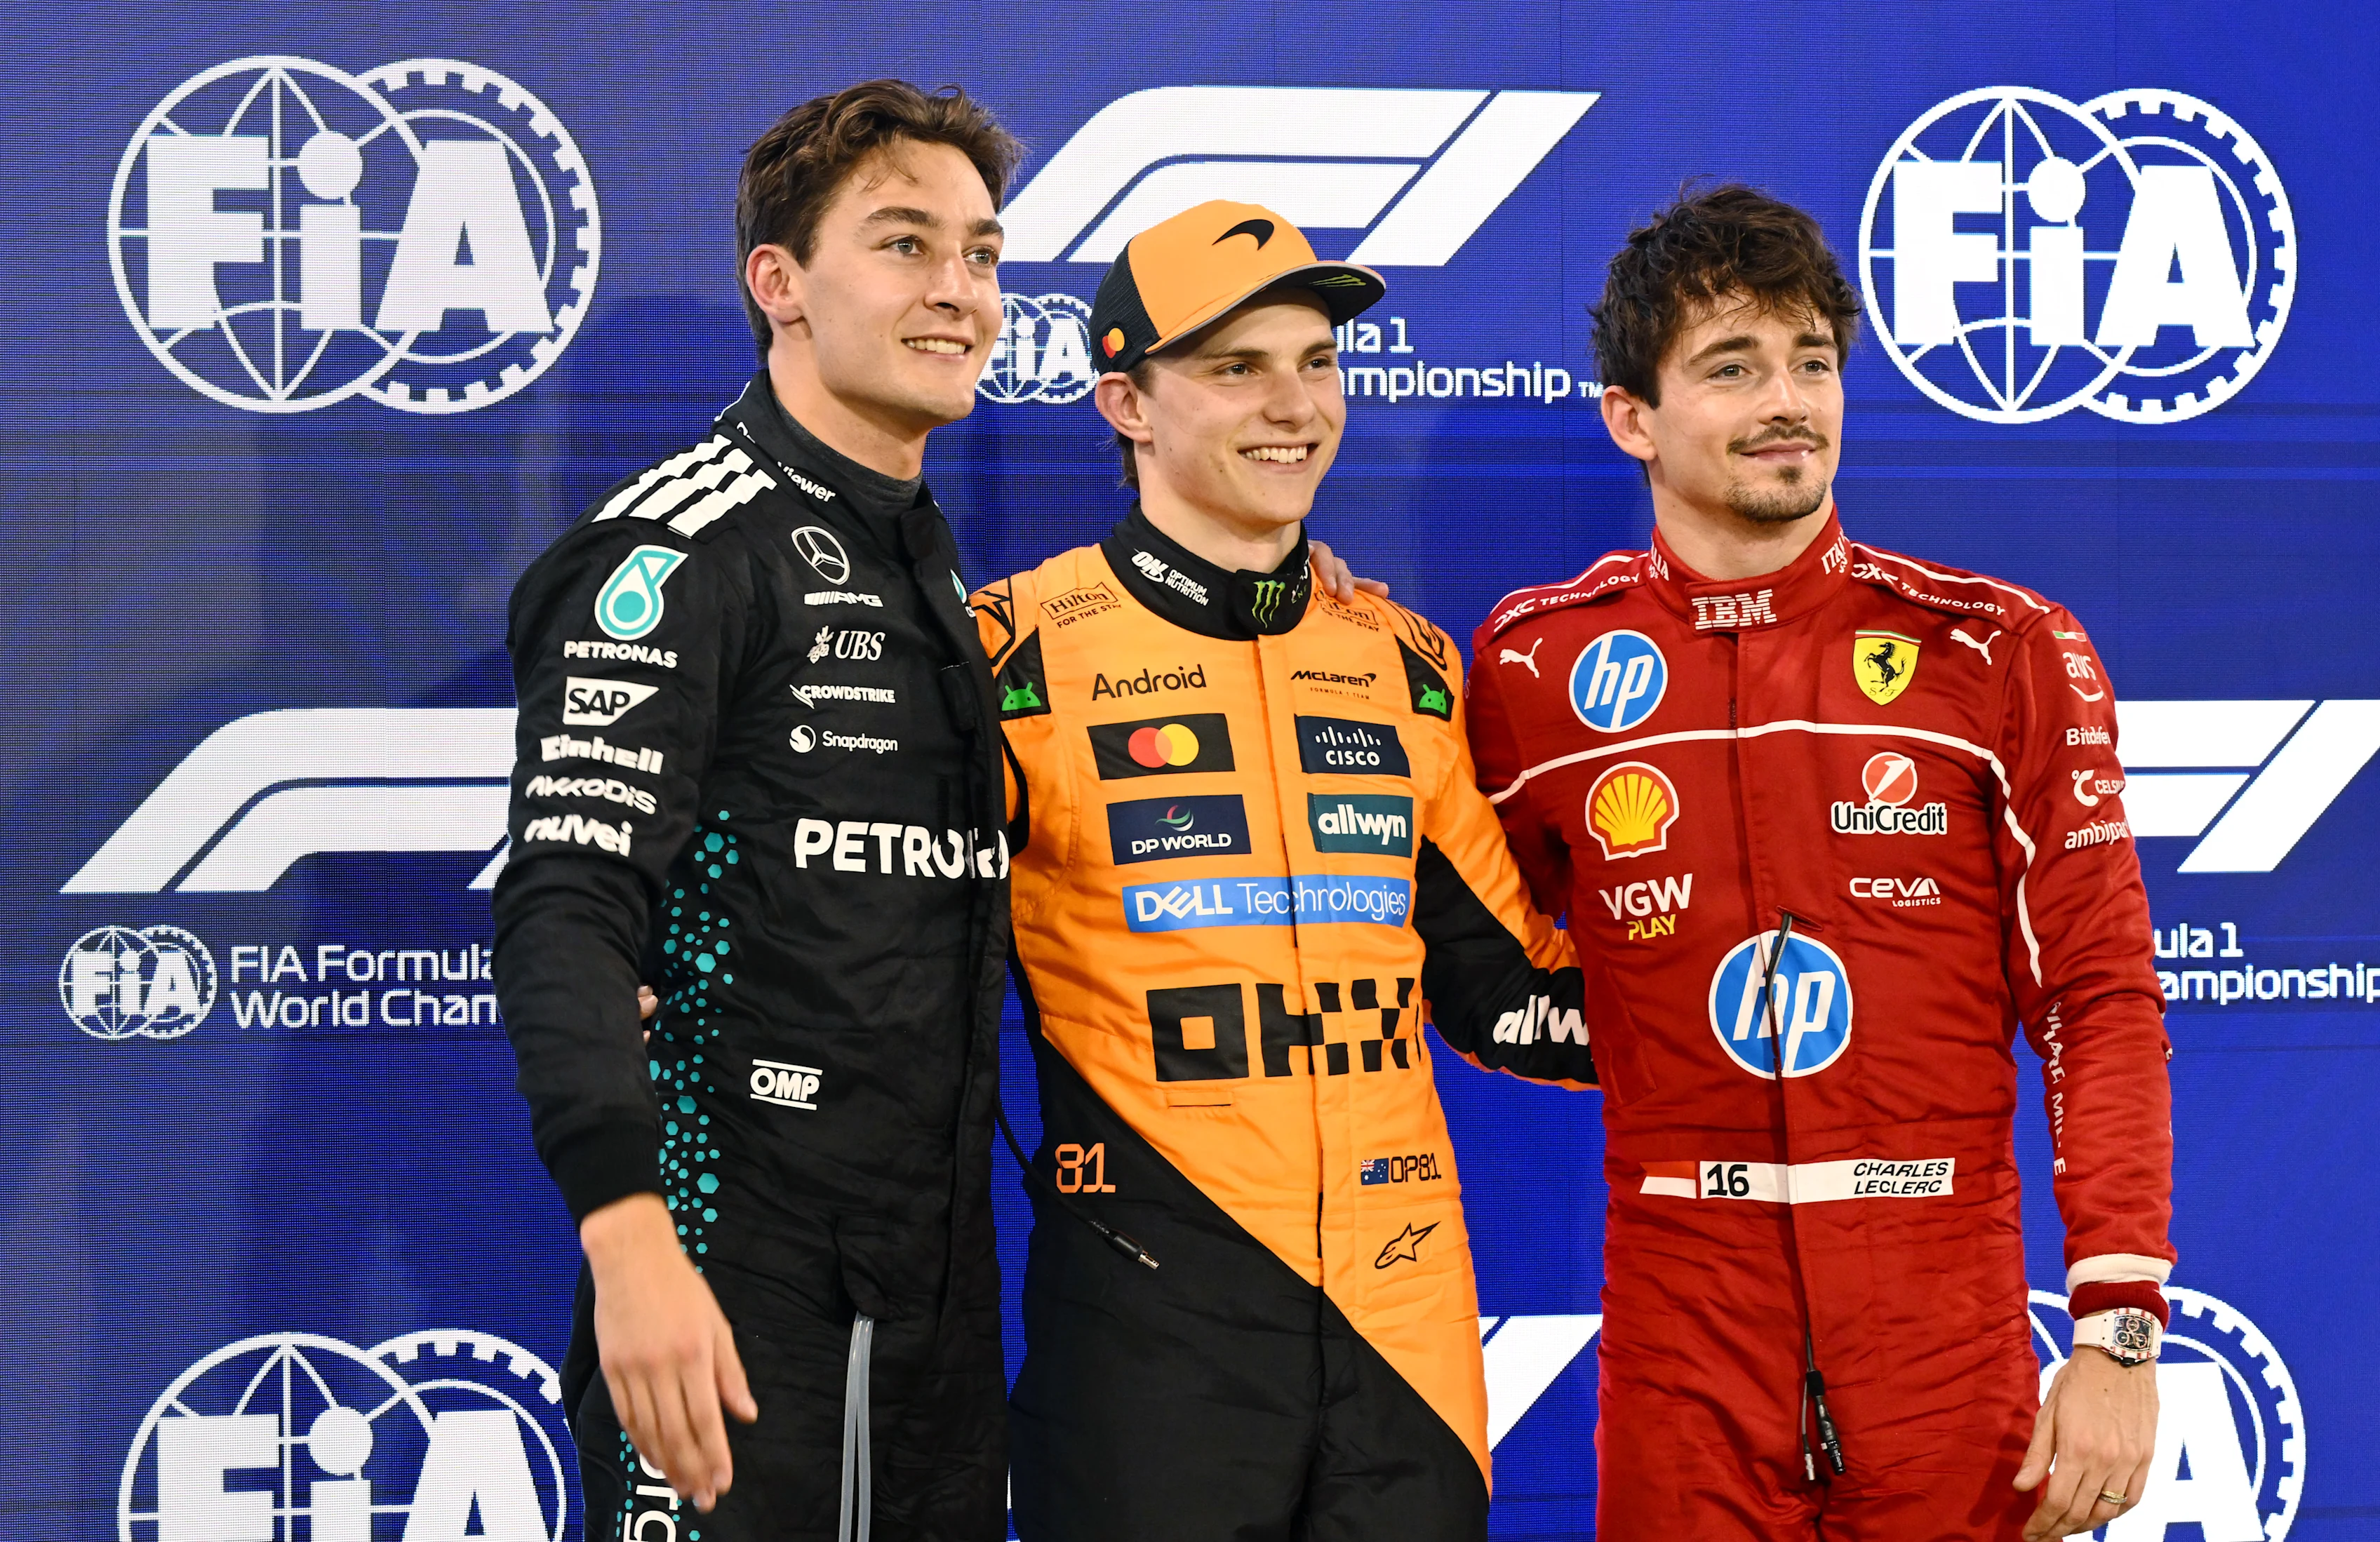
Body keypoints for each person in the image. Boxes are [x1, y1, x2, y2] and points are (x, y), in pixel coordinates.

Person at [1466, 186, 2173, 1540]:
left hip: (1941, 1314)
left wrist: (2120, 1327)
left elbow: (2098, 994)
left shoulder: (1997, 646)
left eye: (1811, 362)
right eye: (1731, 367)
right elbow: (1476, 955)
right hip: (1680, 1315)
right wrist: (1649, 1029)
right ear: (1632, 416)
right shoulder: (1532, 663)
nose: (1787, 401)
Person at [972, 200, 1600, 1542]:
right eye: (1237, 366)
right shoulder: (1011, 658)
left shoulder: (1407, 665)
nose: (1294, 405)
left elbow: (1503, 994)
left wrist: (1740, 999)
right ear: (1127, 403)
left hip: (1408, 1330)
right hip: (1151, 1325)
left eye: (1317, 361)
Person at [492, 81, 1024, 1542]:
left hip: (934, 1289)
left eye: (980, 254)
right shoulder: (679, 544)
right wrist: (632, 1243)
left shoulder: (930, 568)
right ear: (778, 284)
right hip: (731, 1268)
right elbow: (565, 906)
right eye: (904, 245)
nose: (958, 293)